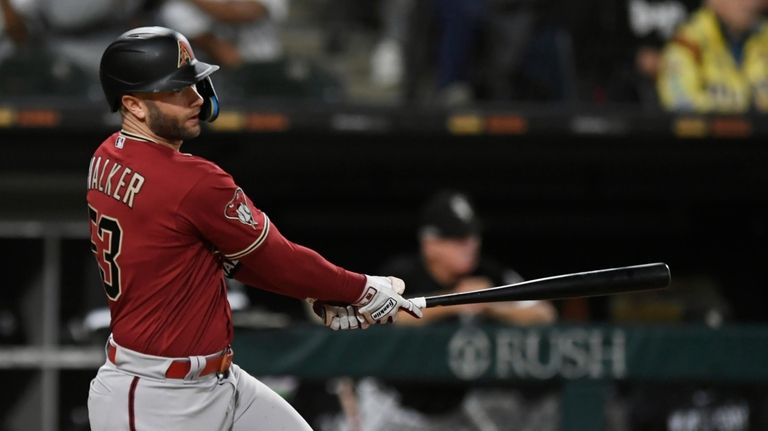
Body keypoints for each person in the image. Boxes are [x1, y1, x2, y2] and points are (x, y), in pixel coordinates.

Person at [87, 26, 422, 430]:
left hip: (219, 382)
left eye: (194, 84)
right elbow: (277, 258)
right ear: (134, 105)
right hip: (157, 399)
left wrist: (321, 294)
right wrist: (361, 289)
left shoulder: (106, 156)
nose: (196, 98)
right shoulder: (191, 181)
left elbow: (223, 258)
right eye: (177, 90)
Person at [337, 190, 556, 431]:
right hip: (392, 402)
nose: (471, 244)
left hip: (455, 406)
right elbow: (375, 316)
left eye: (473, 236)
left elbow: (543, 313)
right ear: (430, 244)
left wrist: (492, 304)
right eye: (458, 238)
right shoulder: (402, 274)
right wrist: (452, 301)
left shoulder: (487, 273)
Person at [657, 0, 768, 113]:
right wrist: (744, 107)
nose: (748, 3)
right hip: (707, 129)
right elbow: (680, 104)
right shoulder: (686, 43)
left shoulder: (764, 38)